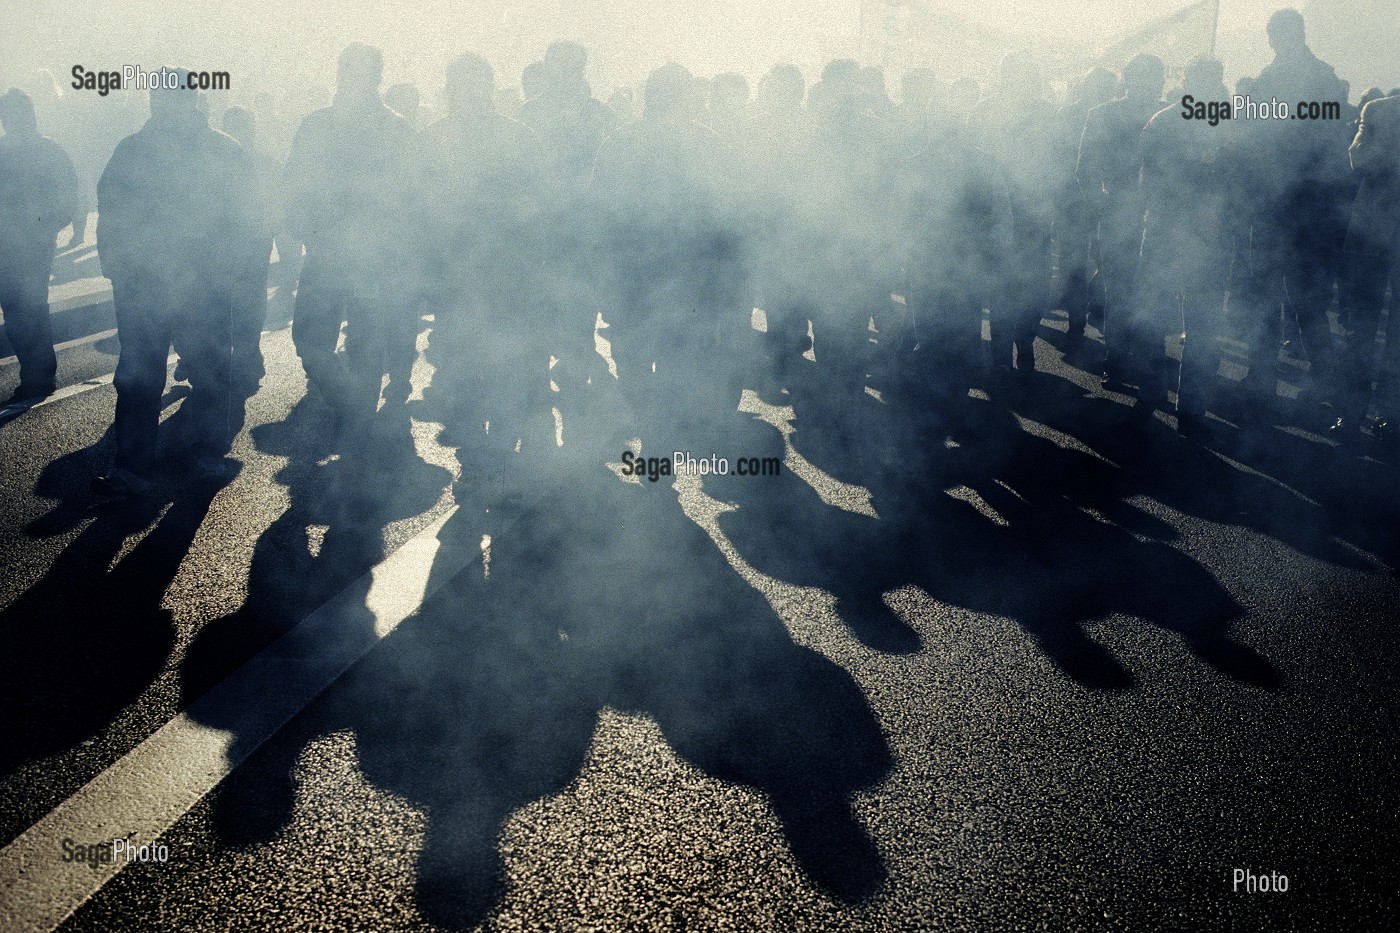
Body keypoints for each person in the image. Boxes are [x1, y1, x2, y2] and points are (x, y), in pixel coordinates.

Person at [93, 70, 258, 496]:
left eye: (172, 98)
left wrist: (228, 274)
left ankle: (207, 455)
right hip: (144, 286)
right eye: (157, 98)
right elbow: (111, 211)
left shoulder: (224, 151)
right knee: (137, 378)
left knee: (208, 372)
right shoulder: (132, 150)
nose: (162, 105)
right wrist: (116, 267)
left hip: (203, 287)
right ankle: (132, 469)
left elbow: (246, 218)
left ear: (193, 102)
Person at [411, 52, 549, 501]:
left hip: (499, 276)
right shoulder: (441, 139)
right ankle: (480, 456)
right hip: (467, 278)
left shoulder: (508, 138)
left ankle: (490, 456)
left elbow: (539, 208)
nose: (463, 94)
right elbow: (420, 211)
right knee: (469, 368)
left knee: (492, 368)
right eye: (459, 85)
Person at [282, 43, 416, 439]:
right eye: (347, 69)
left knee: (367, 343)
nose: (353, 78)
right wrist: (304, 227)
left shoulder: (396, 128)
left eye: (362, 71)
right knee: (308, 339)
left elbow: (415, 195)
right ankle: (352, 407)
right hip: (325, 253)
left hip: (375, 257)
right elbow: (293, 183)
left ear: (377, 77)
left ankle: (358, 425)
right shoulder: (316, 125)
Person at [1239, 8, 1351, 419]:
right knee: (1302, 302)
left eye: (1274, 34)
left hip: (1286, 204)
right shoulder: (1323, 76)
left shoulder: (1289, 79)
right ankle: (1320, 383)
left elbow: (1257, 136)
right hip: (1304, 205)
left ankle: (1267, 378)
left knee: (1276, 297)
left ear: (1278, 36)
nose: (1273, 41)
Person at [1130, 56, 1235, 432]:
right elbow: (1240, 187)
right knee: (1203, 326)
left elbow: (1147, 183)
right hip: (1210, 237)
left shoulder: (1162, 121)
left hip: (1163, 230)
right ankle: (1191, 408)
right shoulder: (1229, 124)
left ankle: (1151, 389)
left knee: (1152, 317)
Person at [1077, 53, 1166, 388]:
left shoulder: (1170, 113)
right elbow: (1086, 166)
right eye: (1142, 76)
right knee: (1119, 293)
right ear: (1127, 80)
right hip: (1119, 213)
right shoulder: (1104, 113)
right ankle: (1116, 360)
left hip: (1161, 217)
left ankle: (1143, 361)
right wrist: (1101, 207)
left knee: (1151, 293)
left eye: (1154, 76)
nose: (1149, 83)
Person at [969, 51, 1058, 381]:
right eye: (1014, 74)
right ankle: (1002, 353)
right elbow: (974, 160)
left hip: (1034, 211)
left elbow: (1059, 161)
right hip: (996, 210)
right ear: (1004, 76)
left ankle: (1025, 338)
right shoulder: (985, 110)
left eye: (1026, 75)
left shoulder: (1047, 114)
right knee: (1002, 286)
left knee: (1037, 287)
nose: (1020, 81)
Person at [0, 87, 79, 404]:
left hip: (27, 245)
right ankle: (38, 373)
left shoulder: (44, 152)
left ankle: (39, 375)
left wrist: (41, 228)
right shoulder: (48, 150)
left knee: (24, 309)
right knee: (24, 309)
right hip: (20, 244)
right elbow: (69, 197)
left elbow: (67, 198)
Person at [1334, 93, 1400, 444]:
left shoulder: (1379, 110)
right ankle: (1378, 416)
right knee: (1368, 327)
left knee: (1361, 325)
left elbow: (1358, 157)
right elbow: (1356, 158)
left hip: (1371, 229)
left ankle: (1361, 413)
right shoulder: (1378, 109)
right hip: (1373, 231)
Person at [219, 105, 281, 393]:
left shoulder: (222, 161)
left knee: (242, 303)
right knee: (248, 303)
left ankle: (245, 359)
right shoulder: (263, 161)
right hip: (248, 242)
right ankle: (247, 359)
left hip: (246, 242)